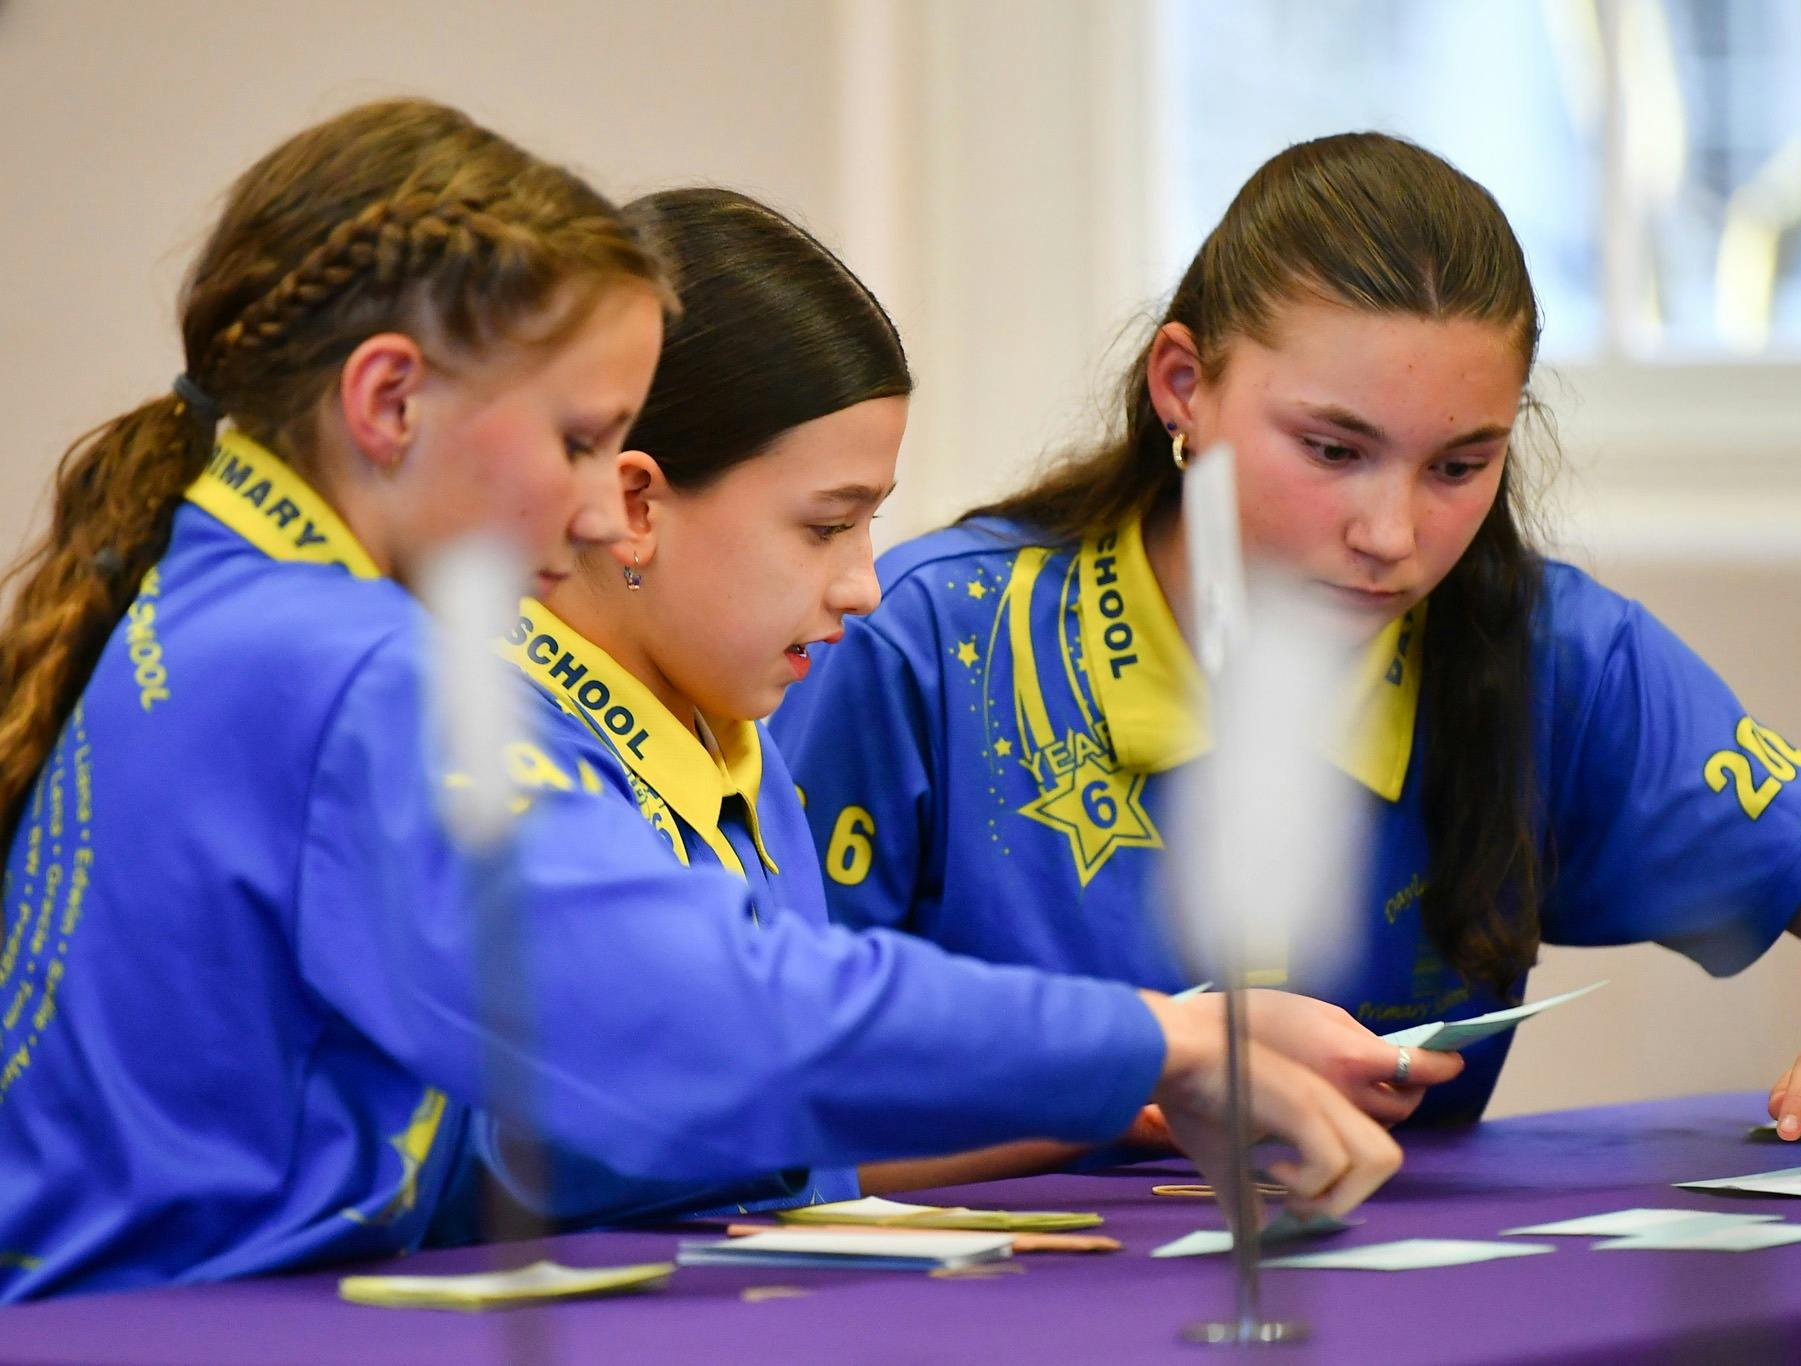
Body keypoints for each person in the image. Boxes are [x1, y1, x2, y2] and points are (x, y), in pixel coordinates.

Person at [0, 103, 1394, 1303]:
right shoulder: (350, 664)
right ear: (388, 402)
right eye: (576, 438)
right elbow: (699, 1017)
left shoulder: (223, 597)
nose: (601, 497)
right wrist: (1153, 1040)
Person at [773, 131, 1801, 1136]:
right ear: (1183, 389)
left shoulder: (1550, 654)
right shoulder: (923, 641)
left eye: (1458, 464)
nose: (1392, 533)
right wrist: (1157, 1085)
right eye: (1331, 450)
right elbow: (776, 1092)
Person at [459, 187, 1439, 1222]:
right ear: (636, 503)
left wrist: (1135, 1084)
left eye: (868, 523)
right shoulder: (496, 751)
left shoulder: (733, 750)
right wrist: (1153, 1038)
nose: (862, 585)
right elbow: (684, 1077)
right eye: (824, 525)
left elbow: (810, 1135)